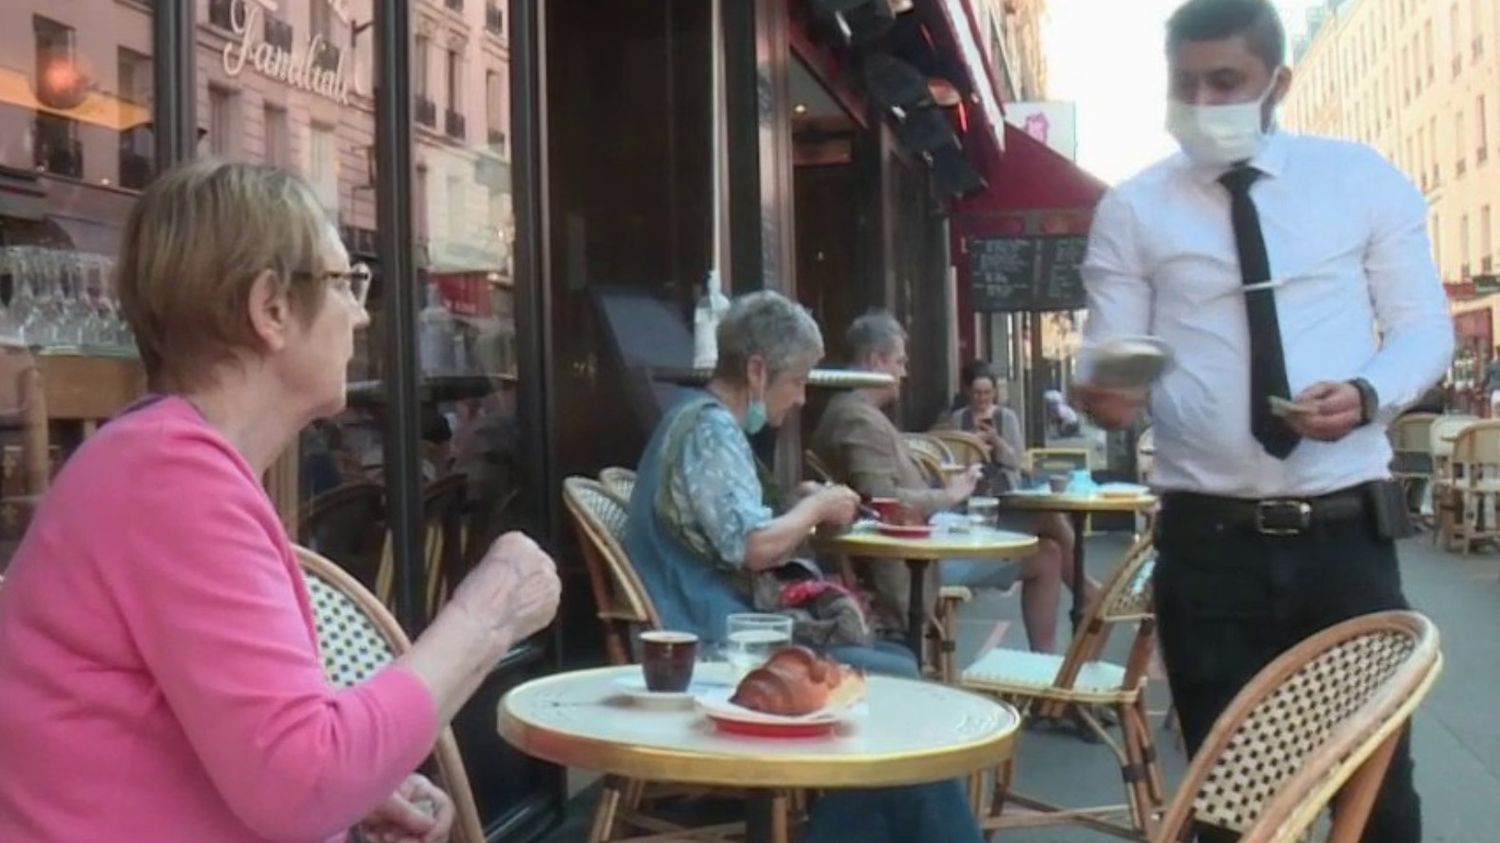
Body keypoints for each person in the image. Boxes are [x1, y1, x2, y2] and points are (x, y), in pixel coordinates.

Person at [0, 160, 562, 842]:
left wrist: (361, 781)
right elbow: (304, 783)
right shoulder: (168, 478)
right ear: (270, 308)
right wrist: (490, 608)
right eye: (344, 282)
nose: (359, 313)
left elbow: (258, 758)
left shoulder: (160, 466)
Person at [1075, 2, 1451, 841]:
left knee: (1379, 797)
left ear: (1276, 83)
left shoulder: (1358, 179)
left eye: (1226, 82)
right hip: (1208, 546)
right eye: (1185, 84)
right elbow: (1110, 354)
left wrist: (1367, 390)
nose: (1203, 102)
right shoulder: (1135, 208)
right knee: (1226, 805)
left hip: (1345, 536)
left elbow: (1425, 326)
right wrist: (1101, 392)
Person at [625, 290, 983, 843]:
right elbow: (752, 547)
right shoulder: (711, 429)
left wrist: (796, 503)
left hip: (707, 621)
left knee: (894, 665)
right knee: (897, 686)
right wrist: (814, 508)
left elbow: (728, 525)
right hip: (716, 638)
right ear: (757, 370)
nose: (798, 400)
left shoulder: (692, 420)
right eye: (796, 382)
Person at [812, 313, 1088, 654]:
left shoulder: (855, 412)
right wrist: (948, 494)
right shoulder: (855, 417)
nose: (904, 373)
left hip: (928, 536)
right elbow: (883, 501)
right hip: (915, 558)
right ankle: (1085, 605)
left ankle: (1080, 611)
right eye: (899, 362)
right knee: (1047, 551)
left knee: (1048, 542)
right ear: (875, 362)